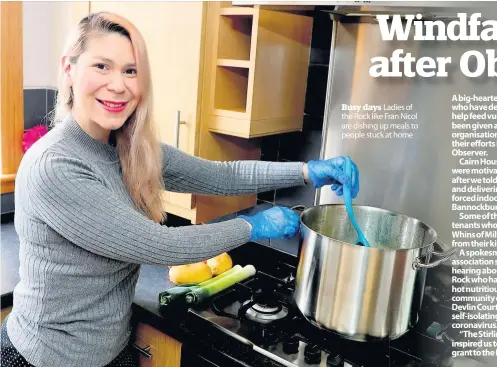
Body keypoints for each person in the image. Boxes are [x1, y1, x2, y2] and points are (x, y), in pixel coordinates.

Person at [0, 12, 359, 367]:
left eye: (131, 70)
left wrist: (307, 171)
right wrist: (254, 225)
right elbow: (160, 245)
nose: (118, 84)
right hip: (46, 358)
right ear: (69, 69)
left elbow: (221, 176)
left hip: (112, 350)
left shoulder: (128, 148)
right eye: (101, 66)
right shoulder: (56, 166)